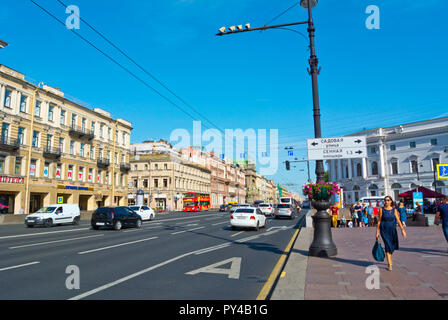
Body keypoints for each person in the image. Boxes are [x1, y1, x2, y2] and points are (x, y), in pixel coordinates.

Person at [376, 196, 407, 271]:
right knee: (387, 245)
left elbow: (398, 220)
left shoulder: (394, 210)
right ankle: (389, 263)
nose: (386, 201)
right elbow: (379, 221)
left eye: (388, 200)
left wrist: (402, 230)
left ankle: (389, 256)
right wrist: (377, 232)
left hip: (393, 230)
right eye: (385, 200)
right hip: (384, 230)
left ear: (391, 201)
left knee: (392, 246)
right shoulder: (381, 210)